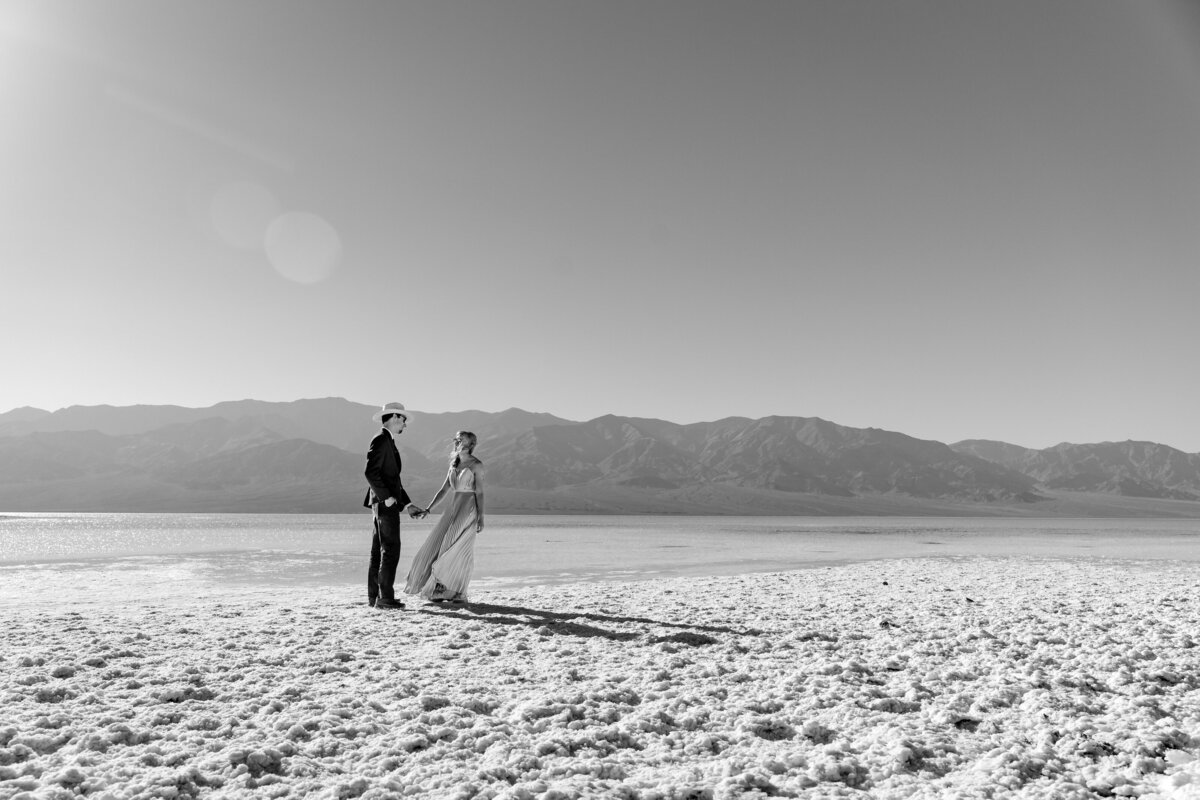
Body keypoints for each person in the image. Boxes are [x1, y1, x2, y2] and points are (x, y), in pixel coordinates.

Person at [405, 431, 485, 603]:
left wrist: (481, 517)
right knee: (435, 546)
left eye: (461, 438)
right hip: (453, 507)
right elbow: (443, 490)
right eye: (456, 438)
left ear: (470, 444)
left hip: (468, 508)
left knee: (452, 548)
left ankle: (455, 591)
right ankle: (438, 588)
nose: (456, 440)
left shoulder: (476, 465)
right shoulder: (453, 464)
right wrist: (428, 509)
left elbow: (479, 493)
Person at [363, 402, 425, 609]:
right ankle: (385, 598)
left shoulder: (387, 440)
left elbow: (392, 480)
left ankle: (376, 597)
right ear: (395, 417)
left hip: (382, 503)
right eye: (404, 420)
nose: (405, 425)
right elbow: (370, 472)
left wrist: (407, 504)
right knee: (390, 550)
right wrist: (386, 497)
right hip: (384, 504)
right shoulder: (382, 440)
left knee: (378, 552)